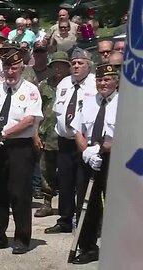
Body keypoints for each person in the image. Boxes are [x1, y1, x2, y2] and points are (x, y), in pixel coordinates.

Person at [0, 47, 43, 254]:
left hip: (19, 148)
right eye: (7, 67)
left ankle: (22, 239)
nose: (10, 72)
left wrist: (4, 134)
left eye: (14, 67)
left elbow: (29, 120)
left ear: (21, 68)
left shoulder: (30, 90)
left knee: (20, 193)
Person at [70, 63, 119, 264]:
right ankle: (88, 247)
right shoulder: (88, 101)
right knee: (85, 203)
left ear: (116, 81)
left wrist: (103, 149)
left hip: (114, 160)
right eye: (99, 79)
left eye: (107, 79)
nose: (103, 83)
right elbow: (77, 131)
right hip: (88, 157)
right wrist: (88, 151)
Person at [45, 47, 96, 234]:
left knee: (83, 183)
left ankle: (87, 222)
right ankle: (65, 220)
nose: (76, 66)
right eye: (73, 63)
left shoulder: (94, 84)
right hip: (65, 140)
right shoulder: (64, 83)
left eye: (80, 63)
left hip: (84, 142)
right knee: (65, 182)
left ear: (88, 65)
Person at [33, 51, 72, 217]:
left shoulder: (72, 84)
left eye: (61, 65)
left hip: (66, 136)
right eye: (55, 65)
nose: (58, 68)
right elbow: (36, 111)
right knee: (45, 171)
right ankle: (47, 203)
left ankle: (67, 206)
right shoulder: (44, 85)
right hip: (46, 135)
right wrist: (36, 133)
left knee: (66, 173)